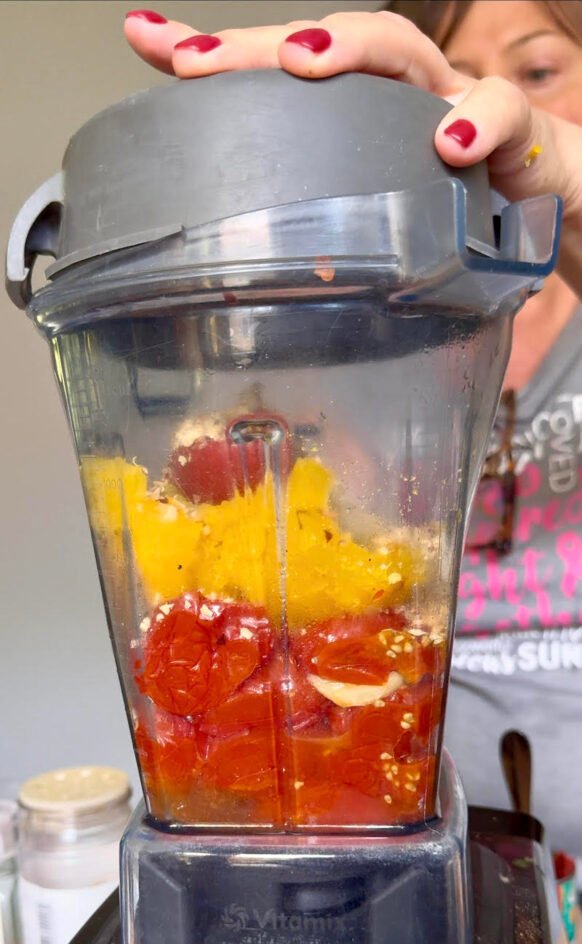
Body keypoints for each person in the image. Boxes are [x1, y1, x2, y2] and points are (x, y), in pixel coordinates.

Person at [124, 4, 582, 856]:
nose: (491, 105)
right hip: (377, 829)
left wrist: (564, 173)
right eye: (457, 86)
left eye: (539, 69)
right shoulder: (360, 353)